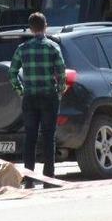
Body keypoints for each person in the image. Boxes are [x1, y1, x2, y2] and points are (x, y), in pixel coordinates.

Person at [8, 12, 66, 189]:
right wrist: (59, 91)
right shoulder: (53, 47)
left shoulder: (22, 48)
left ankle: (29, 180)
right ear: (45, 26)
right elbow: (61, 72)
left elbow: (12, 73)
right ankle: (49, 179)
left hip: (30, 97)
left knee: (30, 138)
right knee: (48, 137)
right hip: (49, 97)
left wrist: (21, 91)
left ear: (31, 28)